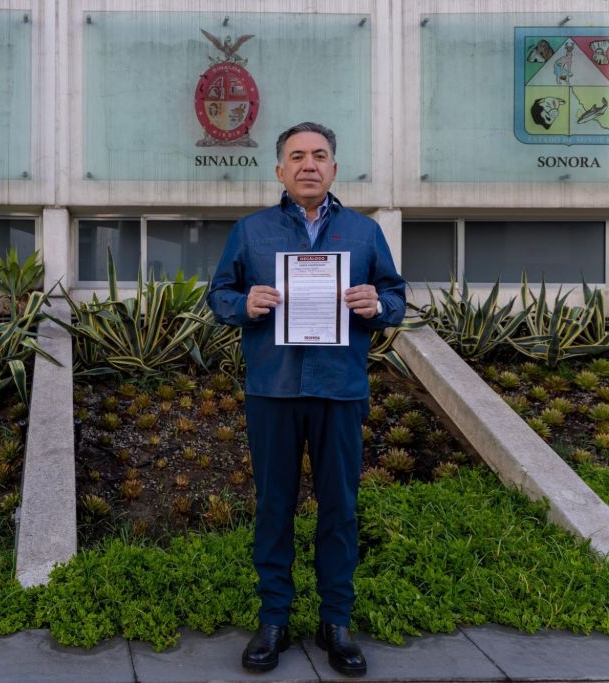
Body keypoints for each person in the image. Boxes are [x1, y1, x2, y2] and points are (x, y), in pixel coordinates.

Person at [207, 122, 406, 677]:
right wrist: (243, 305)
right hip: (273, 389)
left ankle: (335, 621)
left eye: (319, 155)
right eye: (297, 156)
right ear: (280, 170)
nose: (308, 165)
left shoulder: (364, 233)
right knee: (274, 506)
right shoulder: (251, 231)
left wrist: (377, 305)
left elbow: (395, 297)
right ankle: (274, 619)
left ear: (334, 168)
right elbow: (218, 294)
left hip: (339, 389)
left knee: (339, 508)